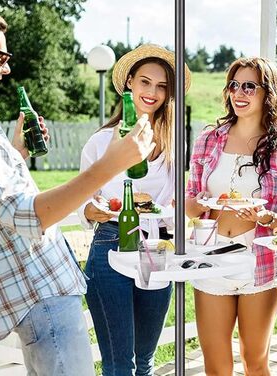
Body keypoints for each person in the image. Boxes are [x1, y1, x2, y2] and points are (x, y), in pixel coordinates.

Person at [0, 10, 155, 376]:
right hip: (39, 292)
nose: (7, 68)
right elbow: (25, 215)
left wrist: (17, 153)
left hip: (39, 291)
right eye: (1, 56)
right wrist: (111, 164)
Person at [77, 44, 191, 376]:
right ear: (129, 83)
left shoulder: (172, 144)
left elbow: (174, 203)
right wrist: (91, 210)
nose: (152, 92)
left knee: (145, 361)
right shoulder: (101, 142)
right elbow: (83, 202)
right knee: (118, 364)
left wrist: (174, 210)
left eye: (161, 86)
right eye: (145, 82)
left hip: (157, 246)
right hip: (111, 245)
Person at [185, 57, 277, 375]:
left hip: (259, 266)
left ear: (268, 94)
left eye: (250, 85)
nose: (240, 92)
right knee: (216, 367)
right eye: (234, 85)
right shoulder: (208, 140)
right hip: (211, 261)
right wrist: (201, 203)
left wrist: (264, 217)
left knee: (255, 363)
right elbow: (190, 201)